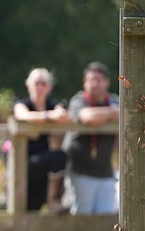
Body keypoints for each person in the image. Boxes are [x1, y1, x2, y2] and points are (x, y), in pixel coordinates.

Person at [63, 61, 120, 214]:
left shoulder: (114, 101)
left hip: (105, 172)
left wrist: (107, 113)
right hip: (80, 171)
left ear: (107, 82)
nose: (94, 84)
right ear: (84, 82)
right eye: (91, 80)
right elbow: (87, 117)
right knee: (83, 217)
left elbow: (126, 114)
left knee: (106, 217)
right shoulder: (79, 100)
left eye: (98, 80)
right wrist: (111, 113)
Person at [12, 68, 70, 211]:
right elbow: (22, 115)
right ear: (28, 85)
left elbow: (63, 115)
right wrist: (49, 116)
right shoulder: (22, 104)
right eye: (36, 83)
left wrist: (55, 115)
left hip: (43, 163)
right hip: (23, 162)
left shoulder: (53, 105)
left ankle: (54, 198)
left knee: (35, 206)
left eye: (43, 83)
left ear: (49, 87)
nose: (39, 87)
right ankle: (53, 200)